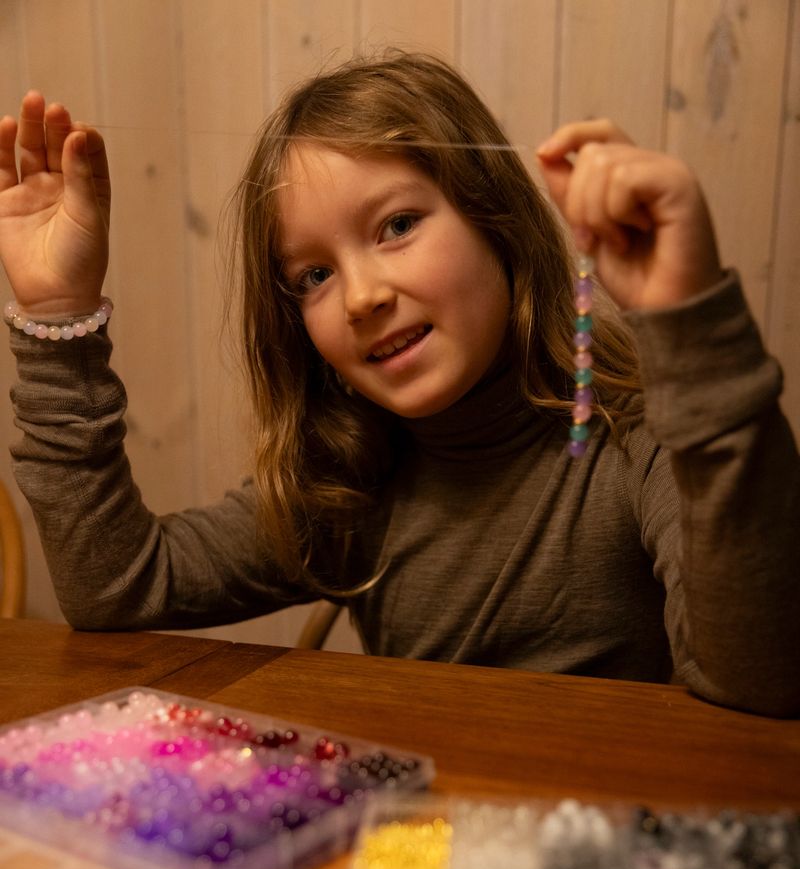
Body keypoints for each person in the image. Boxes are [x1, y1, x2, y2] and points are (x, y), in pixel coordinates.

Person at [1, 51, 798, 717]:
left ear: (498, 222)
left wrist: (691, 325)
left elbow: (763, 678)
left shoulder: (638, 435)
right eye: (313, 274)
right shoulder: (347, 481)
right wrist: (57, 317)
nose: (361, 296)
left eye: (398, 226)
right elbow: (115, 586)